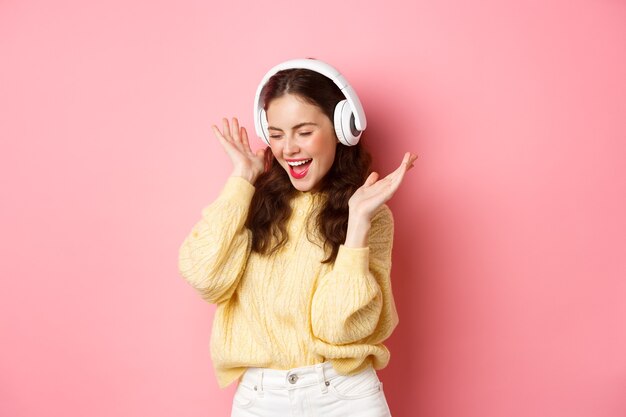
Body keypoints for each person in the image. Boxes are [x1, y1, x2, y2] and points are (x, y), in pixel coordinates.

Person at [178, 58, 418, 417]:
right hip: (260, 399)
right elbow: (205, 277)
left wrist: (357, 228)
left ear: (342, 128)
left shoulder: (370, 215)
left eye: (304, 132)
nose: (288, 148)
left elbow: (340, 330)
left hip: (344, 396)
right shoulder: (251, 200)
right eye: (276, 134)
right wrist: (242, 178)